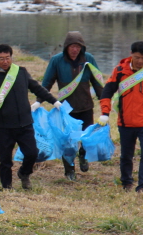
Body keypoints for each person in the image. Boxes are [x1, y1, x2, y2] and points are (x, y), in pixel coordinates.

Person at [0, 44, 57, 190]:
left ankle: (24, 173)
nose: (5, 61)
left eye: (7, 58)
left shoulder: (21, 72)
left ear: (11, 57)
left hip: (25, 123)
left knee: (32, 153)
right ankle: (6, 186)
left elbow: (37, 88)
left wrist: (54, 101)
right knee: (5, 159)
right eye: (1, 59)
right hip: (4, 125)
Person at [100, 41, 143, 192]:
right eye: (137, 57)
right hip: (125, 123)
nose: (140, 61)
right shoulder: (119, 71)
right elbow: (106, 92)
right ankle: (126, 181)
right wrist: (105, 113)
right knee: (126, 155)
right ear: (131, 54)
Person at [41, 32, 105, 180]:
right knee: (68, 141)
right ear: (66, 47)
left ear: (82, 48)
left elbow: (97, 82)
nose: (75, 49)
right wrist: (39, 101)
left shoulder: (89, 59)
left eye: (78, 46)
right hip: (66, 109)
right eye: (72, 46)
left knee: (86, 138)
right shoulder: (57, 61)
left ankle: (83, 155)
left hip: (86, 106)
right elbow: (47, 83)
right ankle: (69, 169)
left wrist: (105, 104)